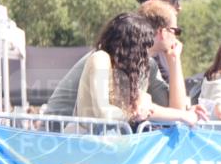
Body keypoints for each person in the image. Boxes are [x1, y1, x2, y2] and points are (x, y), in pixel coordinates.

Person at [44, 0, 190, 117]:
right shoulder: (102, 58)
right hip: (61, 135)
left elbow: (174, 109)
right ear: (162, 32)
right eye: (176, 31)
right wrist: (139, 111)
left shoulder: (147, 65)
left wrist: (174, 61)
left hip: (95, 139)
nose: (177, 38)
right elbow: (104, 112)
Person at [75, 12, 204, 126]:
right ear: (131, 47)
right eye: (144, 47)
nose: (146, 54)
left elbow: (148, 109)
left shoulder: (128, 71)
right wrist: (135, 113)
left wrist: (184, 114)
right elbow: (103, 112)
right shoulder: (100, 59)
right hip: (85, 145)